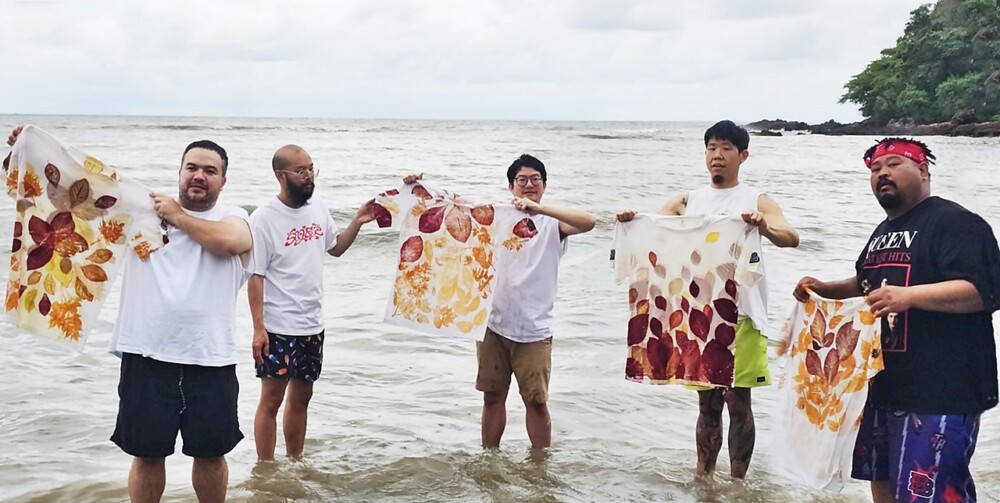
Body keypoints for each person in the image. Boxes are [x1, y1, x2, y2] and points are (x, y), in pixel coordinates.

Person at [8, 126, 253, 503]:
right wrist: (29, 152)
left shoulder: (234, 217)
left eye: (210, 170)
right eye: (191, 167)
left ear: (223, 180)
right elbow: (70, 192)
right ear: (179, 172)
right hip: (146, 353)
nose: (199, 176)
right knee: (146, 453)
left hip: (210, 357)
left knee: (211, 453)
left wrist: (177, 215)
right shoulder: (140, 210)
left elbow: (229, 242)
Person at [794, 138, 1000, 503]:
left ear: (923, 170)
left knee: (930, 495)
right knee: (883, 483)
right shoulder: (883, 232)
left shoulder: (956, 223)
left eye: (893, 165)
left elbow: (983, 291)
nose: (882, 174)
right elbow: (868, 282)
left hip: (942, 391)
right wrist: (826, 289)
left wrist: (908, 296)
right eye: (875, 169)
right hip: (883, 387)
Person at [617, 120, 799, 478]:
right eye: (712, 147)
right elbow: (654, 230)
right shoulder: (689, 201)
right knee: (708, 403)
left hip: (742, 313)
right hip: (700, 314)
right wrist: (630, 220)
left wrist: (762, 225)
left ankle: (738, 484)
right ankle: (704, 478)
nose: (718, 155)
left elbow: (790, 237)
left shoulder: (756, 200)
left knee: (738, 401)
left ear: (742, 156)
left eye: (727, 148)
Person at [406, 154, 596, 449]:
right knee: (492, 397)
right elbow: (450, 210)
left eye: (536, 179)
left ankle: (540, 464)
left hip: (534, 330)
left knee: (536, 401)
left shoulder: (552, 224)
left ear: (545, 185)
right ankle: (489, 458)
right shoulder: (496, 217)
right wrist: (418, 186)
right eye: (522, 180)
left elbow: (589, 222)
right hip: (492, 323)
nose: (529, 185)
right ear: (511, 186)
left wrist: (539, 208)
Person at [249, 145, 375, 461]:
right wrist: (258, 328)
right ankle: (265, 467)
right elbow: (255, 276)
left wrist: (358, 221)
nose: (308, 176)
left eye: (311, 168)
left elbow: (336, 248)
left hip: (312, 324)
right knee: (271, 401)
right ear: (280, 175)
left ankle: (295, 461)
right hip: (277, 326)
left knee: (302, 398)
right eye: (300, 171)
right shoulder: (263, 218)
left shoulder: (318, 207)